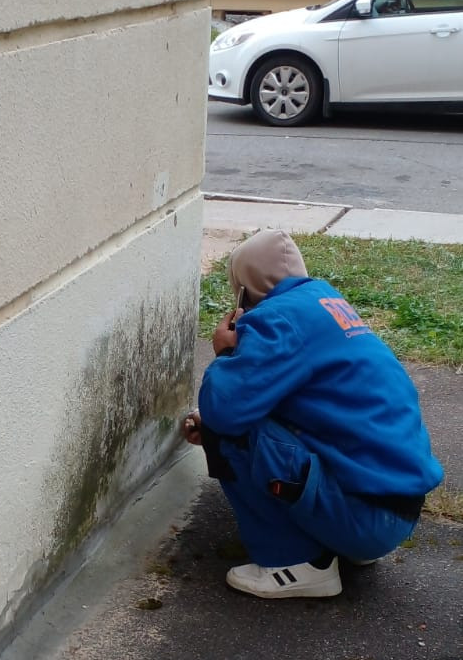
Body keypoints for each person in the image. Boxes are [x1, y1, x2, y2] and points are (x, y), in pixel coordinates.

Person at [182, 229, 443, 599]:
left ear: (243, 292)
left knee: (225, 432)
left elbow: (224, 411)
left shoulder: (274, 319)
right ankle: (342, 542)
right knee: (244, 418)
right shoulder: (327, 303)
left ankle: (297, 563)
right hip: (394, 512)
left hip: (363, 520)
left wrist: (226, 353)